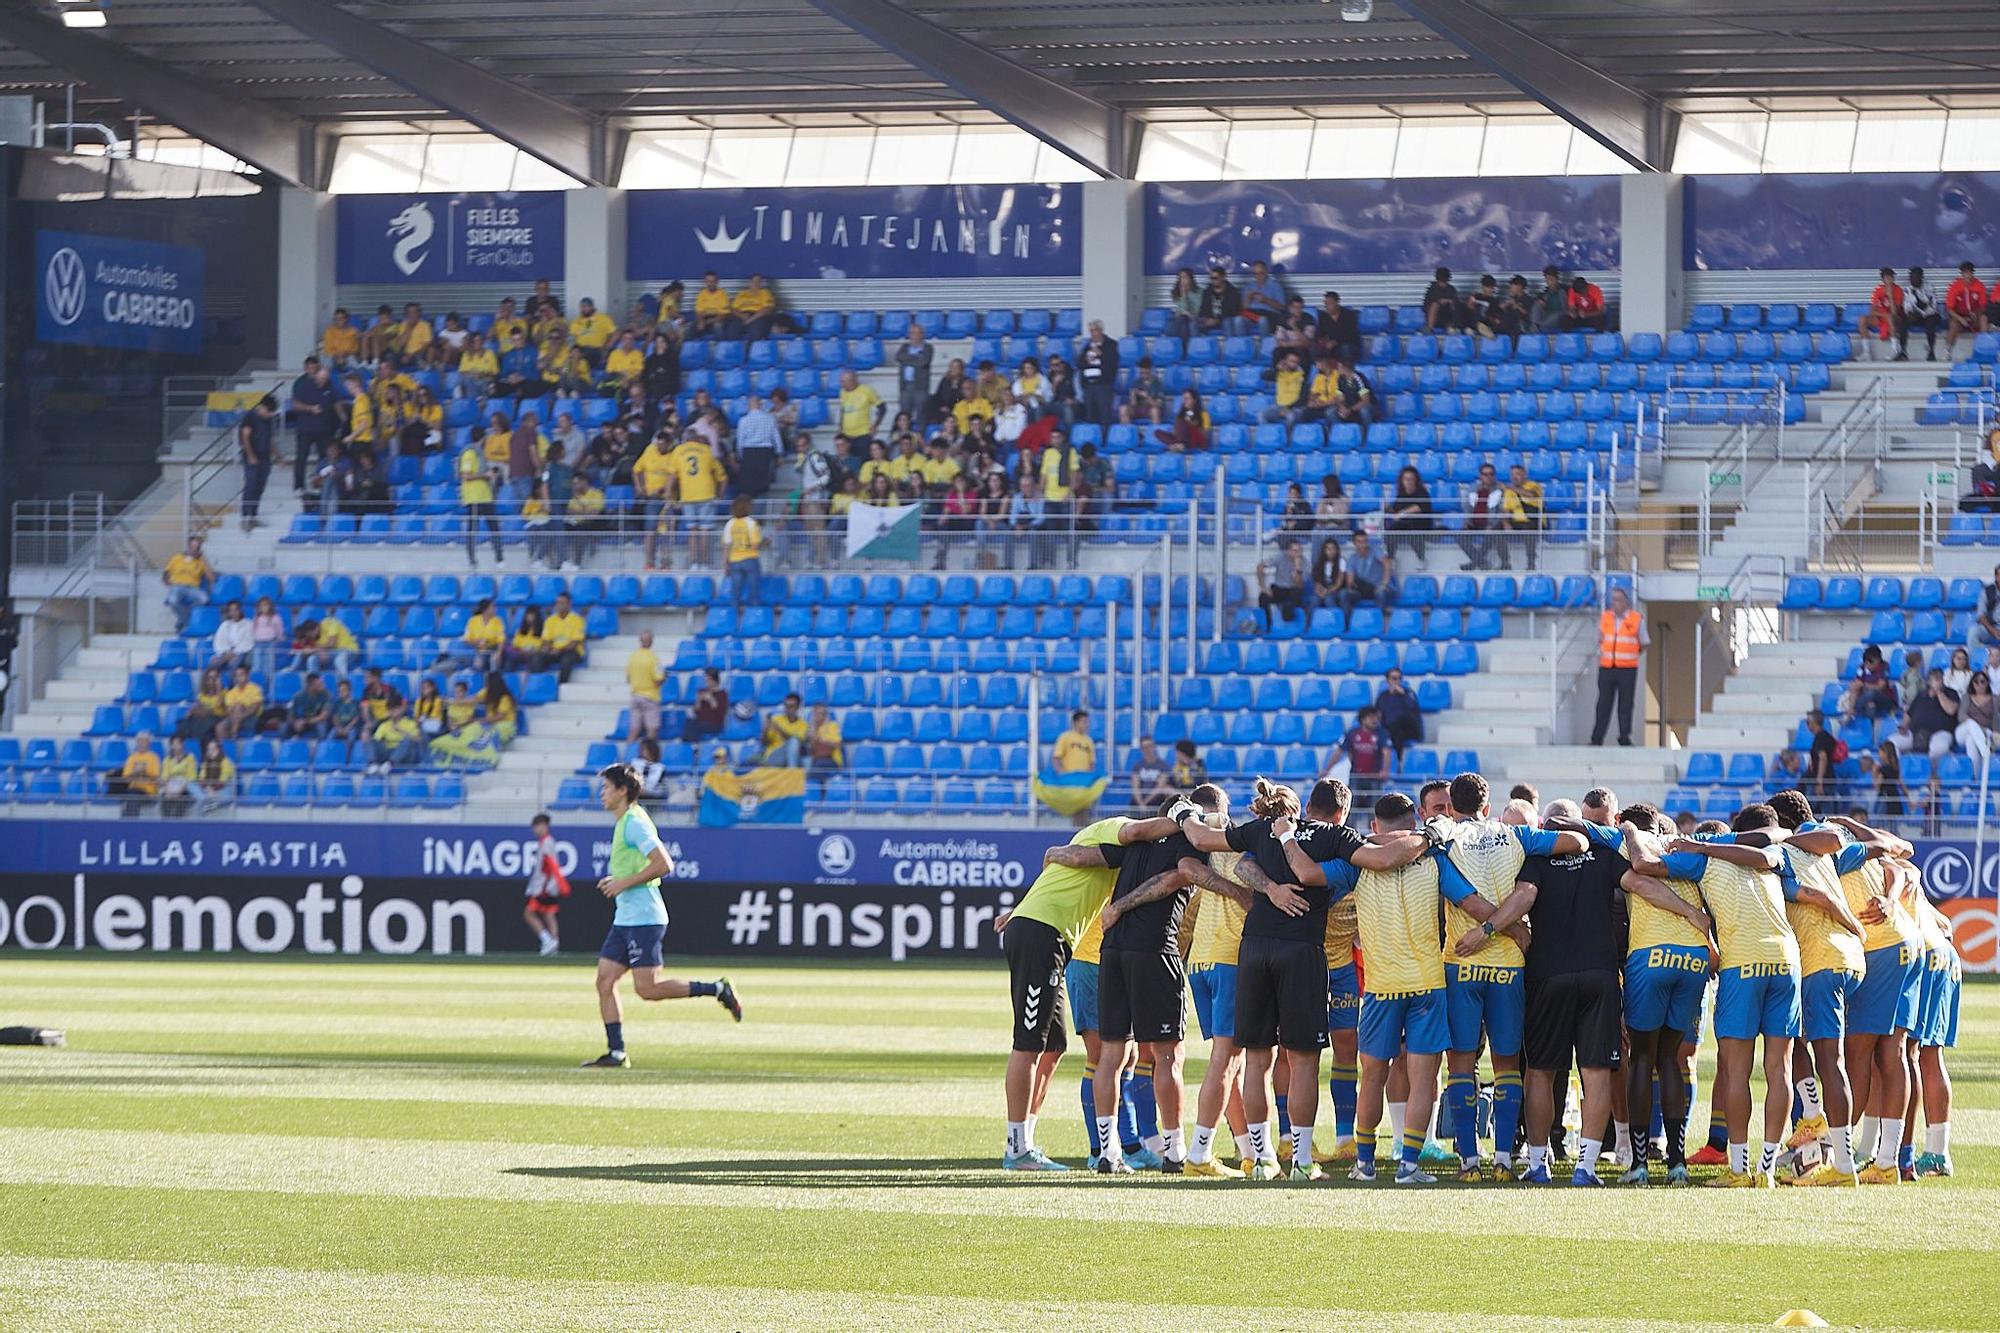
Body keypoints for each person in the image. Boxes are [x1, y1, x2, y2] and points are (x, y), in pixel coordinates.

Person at [1261, 782, 1478, 1184]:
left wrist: (1285, 836)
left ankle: (1364, 1164)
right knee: (1422, 1078)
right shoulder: (1433, 857)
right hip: (1428, 983)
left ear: (1375, 823)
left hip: (1380, 987)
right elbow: (1469, 902)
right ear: (1415, 824)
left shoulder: (1355, 863)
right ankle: (1408, 1166)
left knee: (1372, 1075)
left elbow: (1307, 873)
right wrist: (1505, 925)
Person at [995, 807, 1189, 1170]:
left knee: (1052, 1047)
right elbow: (1133, 834)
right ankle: (1016, 1148)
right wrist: (1187, 821)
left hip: (1052, 935)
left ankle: (1027, 1144)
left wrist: (1022, 904)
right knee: (1028, 1043)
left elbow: (1063, 862)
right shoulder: (1118, 828)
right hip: (1043, 932)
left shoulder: (1102, 854)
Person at [1426, 772, 1591, 1180]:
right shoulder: (1515, 836)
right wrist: (1513, 928)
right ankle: (1503, 1159)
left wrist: (1485, 929)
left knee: (1461, 1064)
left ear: (1451, 808)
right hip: (1508, 965)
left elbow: (1461, 895)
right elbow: (1578, 842)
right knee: (1507, 1065)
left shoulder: (1447, 842)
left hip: (1462, 961)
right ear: (1487, 806)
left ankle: (1469, 1161)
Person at [1626, 806, 1800, 1187]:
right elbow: (1772, 851)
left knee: (1735, 1069)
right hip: (1786, 960)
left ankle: (1739, 1170)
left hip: (1742, 961)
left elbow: (1646, 869)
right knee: (1779, 1069)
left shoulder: (1702, 858)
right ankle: (1767, 1169)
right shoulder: (1770, 857)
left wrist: (1693, 847)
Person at [582, 763, 741, 1069]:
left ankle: (718, 989)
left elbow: (665, 864)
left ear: (623, 790)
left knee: (648, 989)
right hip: (626, 917)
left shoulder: (635, 822)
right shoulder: (624, 821)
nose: (601, 792)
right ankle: (616, 1053)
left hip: (644, 917)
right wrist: (617, 881)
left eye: (606, 787)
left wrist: (622, 883)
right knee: (605, 980)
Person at [1611, 805, 1717, 1186]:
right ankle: (1677, 1162)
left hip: (1651, 954)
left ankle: (1639, 1164)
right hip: (1693, 956)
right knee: (1669, 1059)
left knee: (1641, 1058)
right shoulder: (1685, 850)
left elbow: (1633, 874)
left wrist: (1622, 829)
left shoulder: (1626, 842)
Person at [1590, 586, 1646, 747]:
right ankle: (1597, 738)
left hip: (1628, 668)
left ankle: (1624, 737)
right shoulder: (1605, 618)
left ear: (1626, 602)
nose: (1615, 603)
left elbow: (1644, 643)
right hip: (1607, 667)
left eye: (1619, 600)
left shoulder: (1636, 619)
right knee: (1603, 705)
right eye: (1613, 600)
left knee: (1626, 704)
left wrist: (1630, 654)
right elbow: (1600, 639)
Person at [522, 811, 570, 957]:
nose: (535, 830)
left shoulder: (547, 843)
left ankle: (547, 940)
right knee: (549, 915)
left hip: (544, 887)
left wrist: (551, 884)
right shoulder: (547, 842)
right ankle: (554, 944)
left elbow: (550, 865)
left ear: (543, 826)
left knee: (528, 914)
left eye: (537, 827)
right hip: (549, 886)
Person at [1326, 707, 1389, 811]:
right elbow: (1339, 752)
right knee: (1351, 805)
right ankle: (1350, 826)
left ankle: (1374, 826)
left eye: (1376, 717)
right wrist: (1327, 769)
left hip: (1375, 776)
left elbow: (1387, 753)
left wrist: (1385, 770)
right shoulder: (1352, 734)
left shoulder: (1381, 734)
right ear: (1363, 719)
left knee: (1375, 807)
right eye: (1371, 717)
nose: (1375, 720)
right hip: (1356, 775)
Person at [238, 394, 279, 532]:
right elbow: (245, 437)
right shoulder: (250, 416)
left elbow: (271, 439)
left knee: (259, 487)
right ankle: (245, 517)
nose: (270, 415)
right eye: (269, 412)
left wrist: (278, 457)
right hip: (252, 456)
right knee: (250, 484)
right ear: (262, 408)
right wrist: (250, 455)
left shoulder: (269, 420)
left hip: (265, 457)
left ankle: (253, 516)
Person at [161, 536, 215, 634]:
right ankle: (188, 624)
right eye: (193, 547)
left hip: (193, 588)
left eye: (198, 547)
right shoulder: (177, 558)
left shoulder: (200, 561)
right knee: (173, 601)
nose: (195, 549)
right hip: (177, 586)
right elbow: (165, 575)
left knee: (205, 600)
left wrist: (203, 559)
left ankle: (181, 620)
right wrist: (170, 585)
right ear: (188, 546)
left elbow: (212, 578)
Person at [107, 730, 161, 818]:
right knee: (130, 795)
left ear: (148, 743)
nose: (142, 743)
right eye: (140, 741)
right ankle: (128, 822)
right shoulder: (132, 758)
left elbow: (155, 778)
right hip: (132, 790)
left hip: (148, 792)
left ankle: (128, 823)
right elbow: (126, 778)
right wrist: (136, 773)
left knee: (132, 796)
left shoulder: (154, 758)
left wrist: (143, 773)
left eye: (144, 741)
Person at [722, 495, 764, 612]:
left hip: (734, 560)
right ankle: (753, 615)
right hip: (750, 559)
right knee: (753, 589)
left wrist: (726, 564)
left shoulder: (730, 524)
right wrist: (765, 543)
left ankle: (732, 616)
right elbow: (755, 544)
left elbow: (726, 546)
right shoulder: (751, 523)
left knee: (735, 591)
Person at [1384, 467, 1432, 565]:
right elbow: (1395, 510)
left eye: (1411, 479)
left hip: (1420, 523)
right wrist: (1387, 508)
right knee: (1390, 532)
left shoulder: (1422, 492)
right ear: (1402, 480)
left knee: (1413, 531)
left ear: (1416, 480)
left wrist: (1401, 514)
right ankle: (1391, 558)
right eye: (1406, 479)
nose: (1408, 482)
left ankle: (1422, 559)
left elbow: (1418, 507)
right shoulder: (1401, 494)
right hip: (1404, 523)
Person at [625, 630, 665, 743]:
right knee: (651, 729)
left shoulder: (633, 657)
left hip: (635, 696)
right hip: (650, 697)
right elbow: (658, 680)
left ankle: (627, 754)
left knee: (634, 729)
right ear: (651, 641)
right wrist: (664, 678)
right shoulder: (653, 658)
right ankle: (649, 756)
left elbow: (628, 678)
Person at [1333, 530, 1386, 615]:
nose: (1363, 544)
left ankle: (1379, 623)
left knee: (1381, 593)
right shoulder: (1352, 559)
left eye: (1365, 541)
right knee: (1344, 594)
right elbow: (1350, 581)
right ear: (1354, 543)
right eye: (1359, 542)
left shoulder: (1376, 551)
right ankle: (1348, 623)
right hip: (1362, 590)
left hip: (1377, 588)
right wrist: (1350, 586)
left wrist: (1384, 583)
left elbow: (1387, 564)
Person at [1375, 669, 1423, 759]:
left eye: (1399, 678)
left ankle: (1398, 759)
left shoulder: (1409, 693)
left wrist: (1403, 695)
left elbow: (1413, 709)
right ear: (1388, 680)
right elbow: (1378, 713)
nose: (1397, 681)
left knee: (1397, 724)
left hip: (1408, 728)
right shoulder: (1383, 696)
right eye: (1394, 678)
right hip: (1389, 728)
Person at [541, 592, 587, 684]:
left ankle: (561, 686)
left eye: (562, 603)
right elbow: (546, 639)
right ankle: (541, 683)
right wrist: (547, 648)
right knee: (537, 657)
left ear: (569, 604)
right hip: (555, 650)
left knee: (566, 660)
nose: (559, 605)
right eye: (557, 603)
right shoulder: (550, 620)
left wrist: (559, 650)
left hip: (572, 652)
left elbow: (574, 643)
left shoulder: (577, 620)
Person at [1900, 266, 1942, 362]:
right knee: (1902, 322)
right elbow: (1906, 305)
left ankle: (1931, 351)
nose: (1912, 280)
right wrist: (1910, 313)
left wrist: (1921, 314)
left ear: (1921, 278)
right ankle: (1903, 352)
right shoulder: (1907, 289)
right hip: (1915, 316)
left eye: (1915, 277)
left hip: (1929, 315)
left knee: (1931, 322)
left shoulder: (1929, 288)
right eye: (1911, 277)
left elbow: (1933, 307)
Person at [1946, 261, 1990, 353]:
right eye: (1965, 273)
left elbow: (1983, 306)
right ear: (1961, 274)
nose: (1967, 276)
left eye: (1969, 272)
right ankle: (1948, 351)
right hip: (1960, 316)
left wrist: (1976, 313)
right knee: (1953, 324)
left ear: (1972, 273)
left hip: (1974, 315)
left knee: (1984, 319)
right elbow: (1949, 309)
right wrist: (1961, 319)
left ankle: (1984, 348)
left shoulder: (1979, 285)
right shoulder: (1955, 286)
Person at [682, 667, 727, 745]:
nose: (707, 682)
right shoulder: (702, 691)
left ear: (715, 680)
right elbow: (696, 711)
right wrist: (698, 701)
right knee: (690, 722)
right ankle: (691, 746)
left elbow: (721, 712)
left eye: (709, 680)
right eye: (706, 679)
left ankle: (691, 747)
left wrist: (711, 700)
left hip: (714, 724)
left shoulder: (722, 694)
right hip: (701, 722)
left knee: (692, 725)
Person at [761, 692, 807, 768]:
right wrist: (765, 730)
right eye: (786, 706)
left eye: (791, 706)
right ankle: (792, 772)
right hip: (773, 756)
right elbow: (764, 743)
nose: (787, 709)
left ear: (798, 707)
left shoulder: (803, 724)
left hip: (793, 758)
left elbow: (794, 743)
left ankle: (793, 772)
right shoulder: (776, 719)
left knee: (795, 742)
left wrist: (778, 729)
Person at [1196, 266, 1245, 337]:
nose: (1213, 281)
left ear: (1223, 277)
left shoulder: (1232, 292)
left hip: (1224, 318)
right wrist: (1205, 318)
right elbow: (1203, 308)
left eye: (1215, 278)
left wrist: (1217, 320)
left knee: (1227, 322)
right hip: (1210, 318)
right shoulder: (1207, 291)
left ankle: (1230, 344)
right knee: (1194, 323)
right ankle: (1199, 344)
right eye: (1211, 278)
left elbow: (1232, 311)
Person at [210, 600, 255, 674]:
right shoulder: (225, 624)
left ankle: (230, 685)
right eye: (231, 610)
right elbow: (219, 640)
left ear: (240, 610)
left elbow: (248, 642)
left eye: (236, 609)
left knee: (233, 663)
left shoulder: (248, 624)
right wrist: (225, 652)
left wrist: (234, 653)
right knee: (212, 662)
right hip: (225, 653)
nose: (234, 612)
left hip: (241, 653)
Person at [195, 738, 235, 813]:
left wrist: (212, 789)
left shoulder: (226, 761)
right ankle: (200, 822)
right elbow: (201, 778)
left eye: (213, 749)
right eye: (209, 749)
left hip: (223, 789)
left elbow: (223, 781)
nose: (210, 752)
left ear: (218, 750)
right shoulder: (206, 762)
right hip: (208, 790)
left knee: (211, 801)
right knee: (201, 799)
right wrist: (208, 788)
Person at [1422, 267, 1460, 332]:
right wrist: (1439, 302)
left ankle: (1452, 329)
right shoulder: (1432, 290)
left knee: (1455, 307)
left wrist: (1450, 302)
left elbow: (1456, 304)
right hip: (1435, 318)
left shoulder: (1451, 289)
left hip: (1447, 316)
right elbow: (1426, 306)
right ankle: (1430, 328)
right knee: (1434, 305)